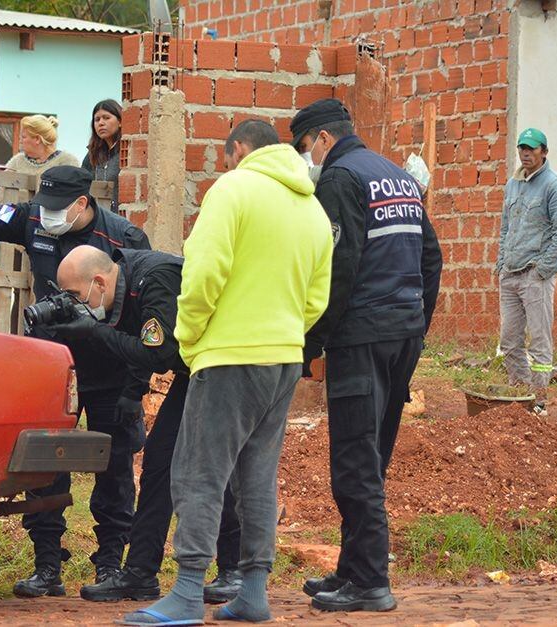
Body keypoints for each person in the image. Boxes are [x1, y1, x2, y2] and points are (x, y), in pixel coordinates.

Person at [123, 120, 334, 626]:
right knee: (257, 476)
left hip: (229, 355)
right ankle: (254, 590)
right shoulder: (311, 205)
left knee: (199, 471)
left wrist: (190, 340)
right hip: (283, 357)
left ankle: (188, 591)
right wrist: (284, 334)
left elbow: (202, 276)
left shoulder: (232, 191)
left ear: (238, 149)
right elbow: (317, 297)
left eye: (225, 156)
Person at [0, 165, 151, 598]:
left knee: (114, 466)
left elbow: (144, 319)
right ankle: (47, 566)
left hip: (109, 367)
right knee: (45, 463)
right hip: (51, 366)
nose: (46, 215)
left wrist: (134, 388)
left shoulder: (125, 240)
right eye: (43, 206)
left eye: (57, 209)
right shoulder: (32, 218)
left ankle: (109, 565)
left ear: (83, 203)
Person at [289, 99, 442, 612]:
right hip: (402, 334)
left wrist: (312, 345)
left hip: (361, 336)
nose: (307, 157)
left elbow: (339, 269)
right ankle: (352, 570)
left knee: (355, 460)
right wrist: (417, 323)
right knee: (371, 456)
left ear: (323, 139)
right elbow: (431, 257)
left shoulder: (340, 178)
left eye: (305, 147)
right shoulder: (396, 175)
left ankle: (371, 583)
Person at [42, 245, 243, 605]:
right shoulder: (125, 285)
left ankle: (235, 569)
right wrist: (131, 392)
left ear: (99, 282)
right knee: (159, 462)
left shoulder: (155, 281)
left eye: (74, 295)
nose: (72, 303)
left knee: (212, 465)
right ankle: (140, 574)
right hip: (197, 367)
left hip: (228, 362)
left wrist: (94, 333)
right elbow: (145, 342)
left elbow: (159, 353)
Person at [497, 128, 557, 416]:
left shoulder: (554, 187)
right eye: (521, 148)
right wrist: (501, 265)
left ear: (544, 151)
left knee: (540, 340)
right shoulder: (513, 185)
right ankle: (519, 393)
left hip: (535, 276)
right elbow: (506, 228)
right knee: (509, 339)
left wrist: (543, 269)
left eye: (531, 149)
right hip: (510, 275)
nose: (525, 153)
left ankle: (539, 399)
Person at [81, 99, 122, 213]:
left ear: (120, 121)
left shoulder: (127, 153)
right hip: (97, 218)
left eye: (106, 118)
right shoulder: (92, 154)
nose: (101, 123)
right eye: (97, 119)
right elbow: (81, 184)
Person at [5, 114, 79, 177]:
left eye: (24, 137)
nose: (20, 141)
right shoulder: (17, 162)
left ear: (37, 139)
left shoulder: (67, 162)